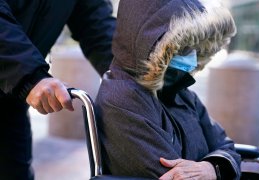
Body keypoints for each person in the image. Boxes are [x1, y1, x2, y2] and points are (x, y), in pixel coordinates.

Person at [95, 0, 241, 179]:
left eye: (195, 47)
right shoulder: (121, 100)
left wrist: (212, 168)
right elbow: (173, 176)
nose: (194, 58)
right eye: (184, 47)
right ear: (150, 44)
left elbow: (225, 144)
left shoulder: (180, 91)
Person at [0, 0, 116, 179]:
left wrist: (132, 77)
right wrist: (30, 76)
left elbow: (96, 24)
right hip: (17, 76)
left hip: (10, 102)